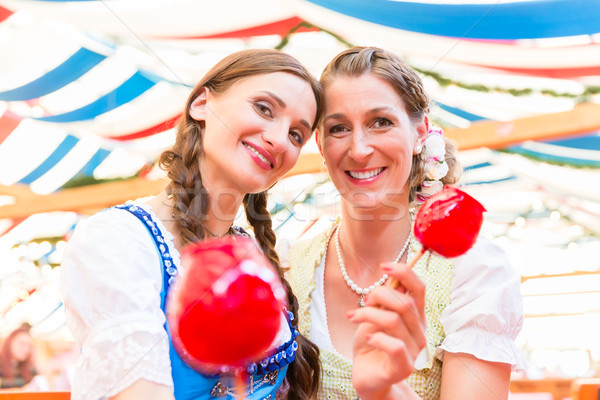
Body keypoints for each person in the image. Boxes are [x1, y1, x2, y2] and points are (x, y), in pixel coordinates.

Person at [59, 49, 323, 400]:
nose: (278, 138)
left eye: (296, 135)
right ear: (201, 104)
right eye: (263, 108)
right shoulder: (118, 241)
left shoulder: (257, 256)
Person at [286, 46, 526, 400]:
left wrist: (388, 390)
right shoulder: (291, 267)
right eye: (339, 128)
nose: (359, 148)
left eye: (381, 122)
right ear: (320, 144)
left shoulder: (474, 272)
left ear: (420, 134)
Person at [0, 323, 37, 389]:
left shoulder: (29, 368)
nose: (26, 349)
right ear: (9, 343)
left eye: (29, 346)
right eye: (21, 343)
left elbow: (41, 381)